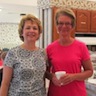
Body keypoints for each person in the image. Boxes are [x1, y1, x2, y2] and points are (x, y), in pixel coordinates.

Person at [46, 8, 93, 96]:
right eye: (60, 23)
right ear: (56, 25)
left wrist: (73, 77)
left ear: (72, 26)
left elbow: (89, 71)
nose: (64, 26)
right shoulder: (50, 48)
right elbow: (45, 72)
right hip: (56, 93)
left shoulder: (81, 46)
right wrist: (52, 77)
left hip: (76, 93)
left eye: (67, 23)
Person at [0, 14, 47, 96]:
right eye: (28, 28)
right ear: (22, 32)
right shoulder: (12, 53)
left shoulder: (43, 53)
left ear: (39, 33)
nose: (31, 30)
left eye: (35, 28)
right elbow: (5, 84)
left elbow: (42, 78)